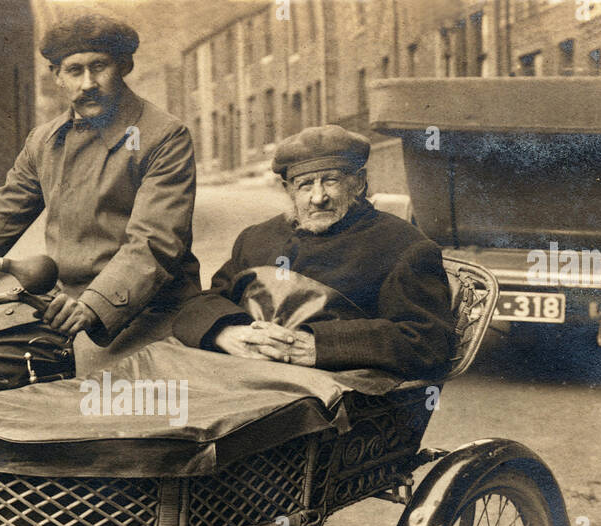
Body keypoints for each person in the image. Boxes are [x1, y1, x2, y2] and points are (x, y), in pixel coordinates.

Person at [0, 12, 200, 390]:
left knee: (103, 415)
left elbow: (154, 245)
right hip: (57, 308)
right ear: (57, 76)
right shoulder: (44, 141)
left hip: (143, 310)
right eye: (74, 70)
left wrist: (93, 306)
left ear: (124, 66)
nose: (88, 83)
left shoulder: (164, 136)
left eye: (99, 67)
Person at [173, 125, 455, 380]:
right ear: (288, 189)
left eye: (330, 181)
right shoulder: (256, 238)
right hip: (242, 376)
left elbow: (427, 340)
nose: (318, 198)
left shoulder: (403, 246)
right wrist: (226, 331)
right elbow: (204, 302)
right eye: (305, 185)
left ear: (358, 183)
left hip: (337, 402)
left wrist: (316, 347)